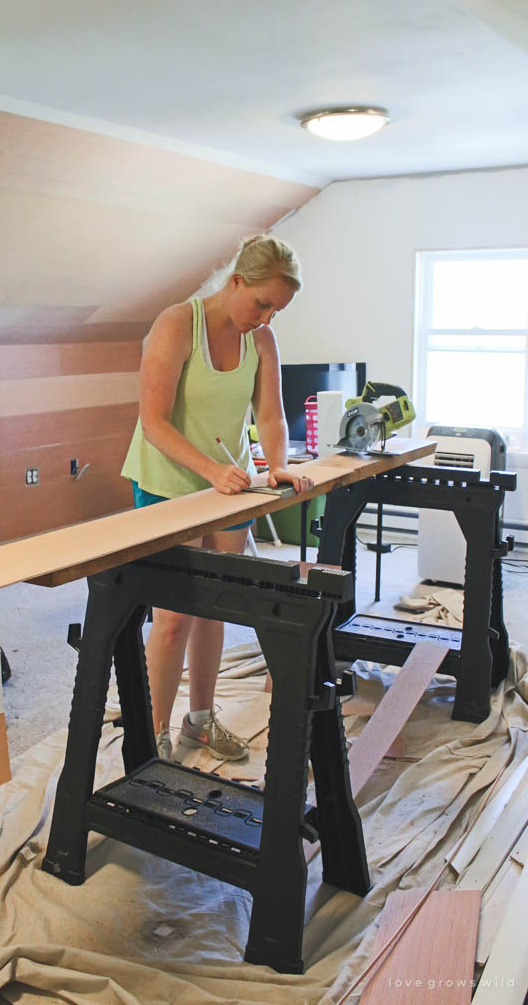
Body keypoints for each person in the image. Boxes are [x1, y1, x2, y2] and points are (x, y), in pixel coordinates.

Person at [121, 234, 312, 761]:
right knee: (174, 616)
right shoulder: (178, 324)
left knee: (214, 607)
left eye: (278, 309)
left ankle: (200, 722)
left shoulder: (262, 341)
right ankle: (153, 738)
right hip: (167, 482)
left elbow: (269, 415)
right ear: (235, 283)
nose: (268, 317)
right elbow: (153, 422)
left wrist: (277, 467)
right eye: (263, 303)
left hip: (230, 485)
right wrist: (211, 471)